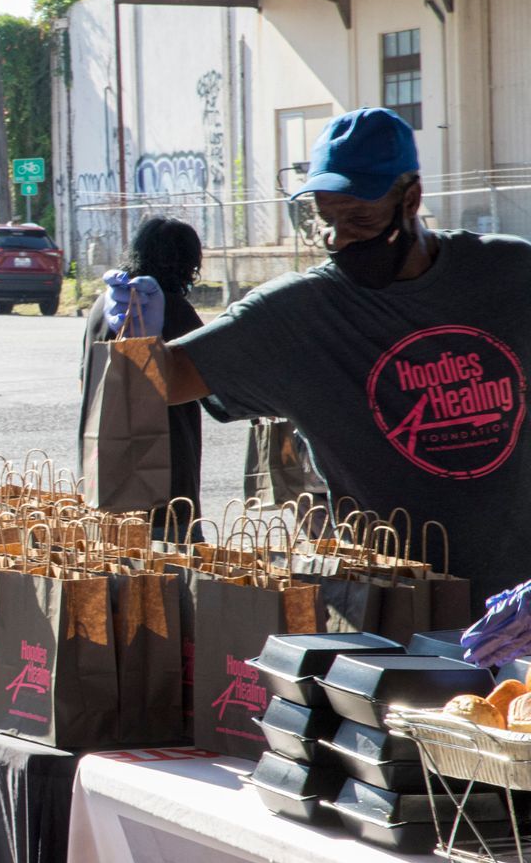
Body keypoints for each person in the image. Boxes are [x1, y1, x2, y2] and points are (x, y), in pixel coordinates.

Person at [105, 106, 531, 605]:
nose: (338, 238)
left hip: (520, 598)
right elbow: (169, 381)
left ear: (411, 199)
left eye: (359, 218)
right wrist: (135, 335)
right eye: (326, 219)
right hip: (392, 606)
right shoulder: (299, 315)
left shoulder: (509, 275)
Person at [80, 215, 205, 530]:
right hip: (165, 468)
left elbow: (84, 379)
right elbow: (209, 377)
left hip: (105, 457)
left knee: (115, 556)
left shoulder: (102, 306)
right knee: (172, 559)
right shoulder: (173, 309)